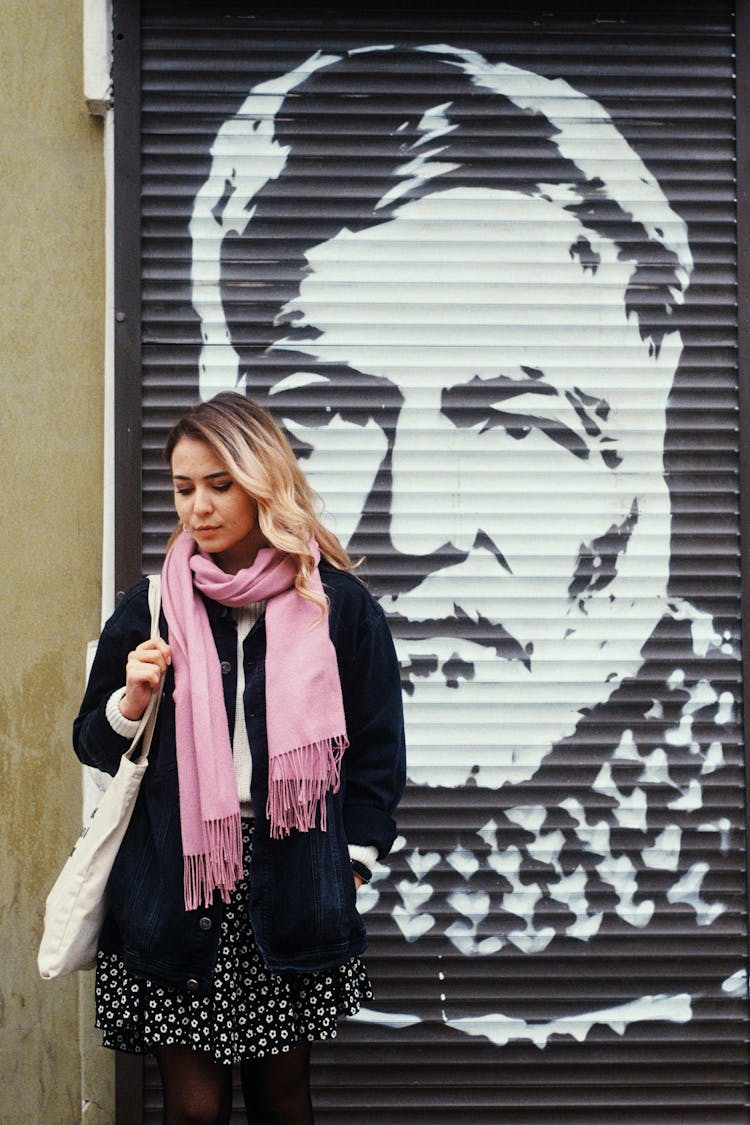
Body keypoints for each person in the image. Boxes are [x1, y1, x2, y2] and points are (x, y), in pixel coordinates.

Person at [183, 43, 741, 1051]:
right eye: (333, 409)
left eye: (514, 418)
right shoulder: (209, 703)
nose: (411, 529)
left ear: (655, 423)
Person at [73, 392, 406, 1123]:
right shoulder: (151, 606)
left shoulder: (338, 607)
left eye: (219, 485)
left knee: (282, 1098)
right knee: (192, 1108)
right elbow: (90, 744)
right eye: (184, 487)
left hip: (291, 877)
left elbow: (378, 755)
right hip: (177, 874)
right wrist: (131, 698)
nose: (199, 507)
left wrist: (348, 865)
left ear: (263, 480)